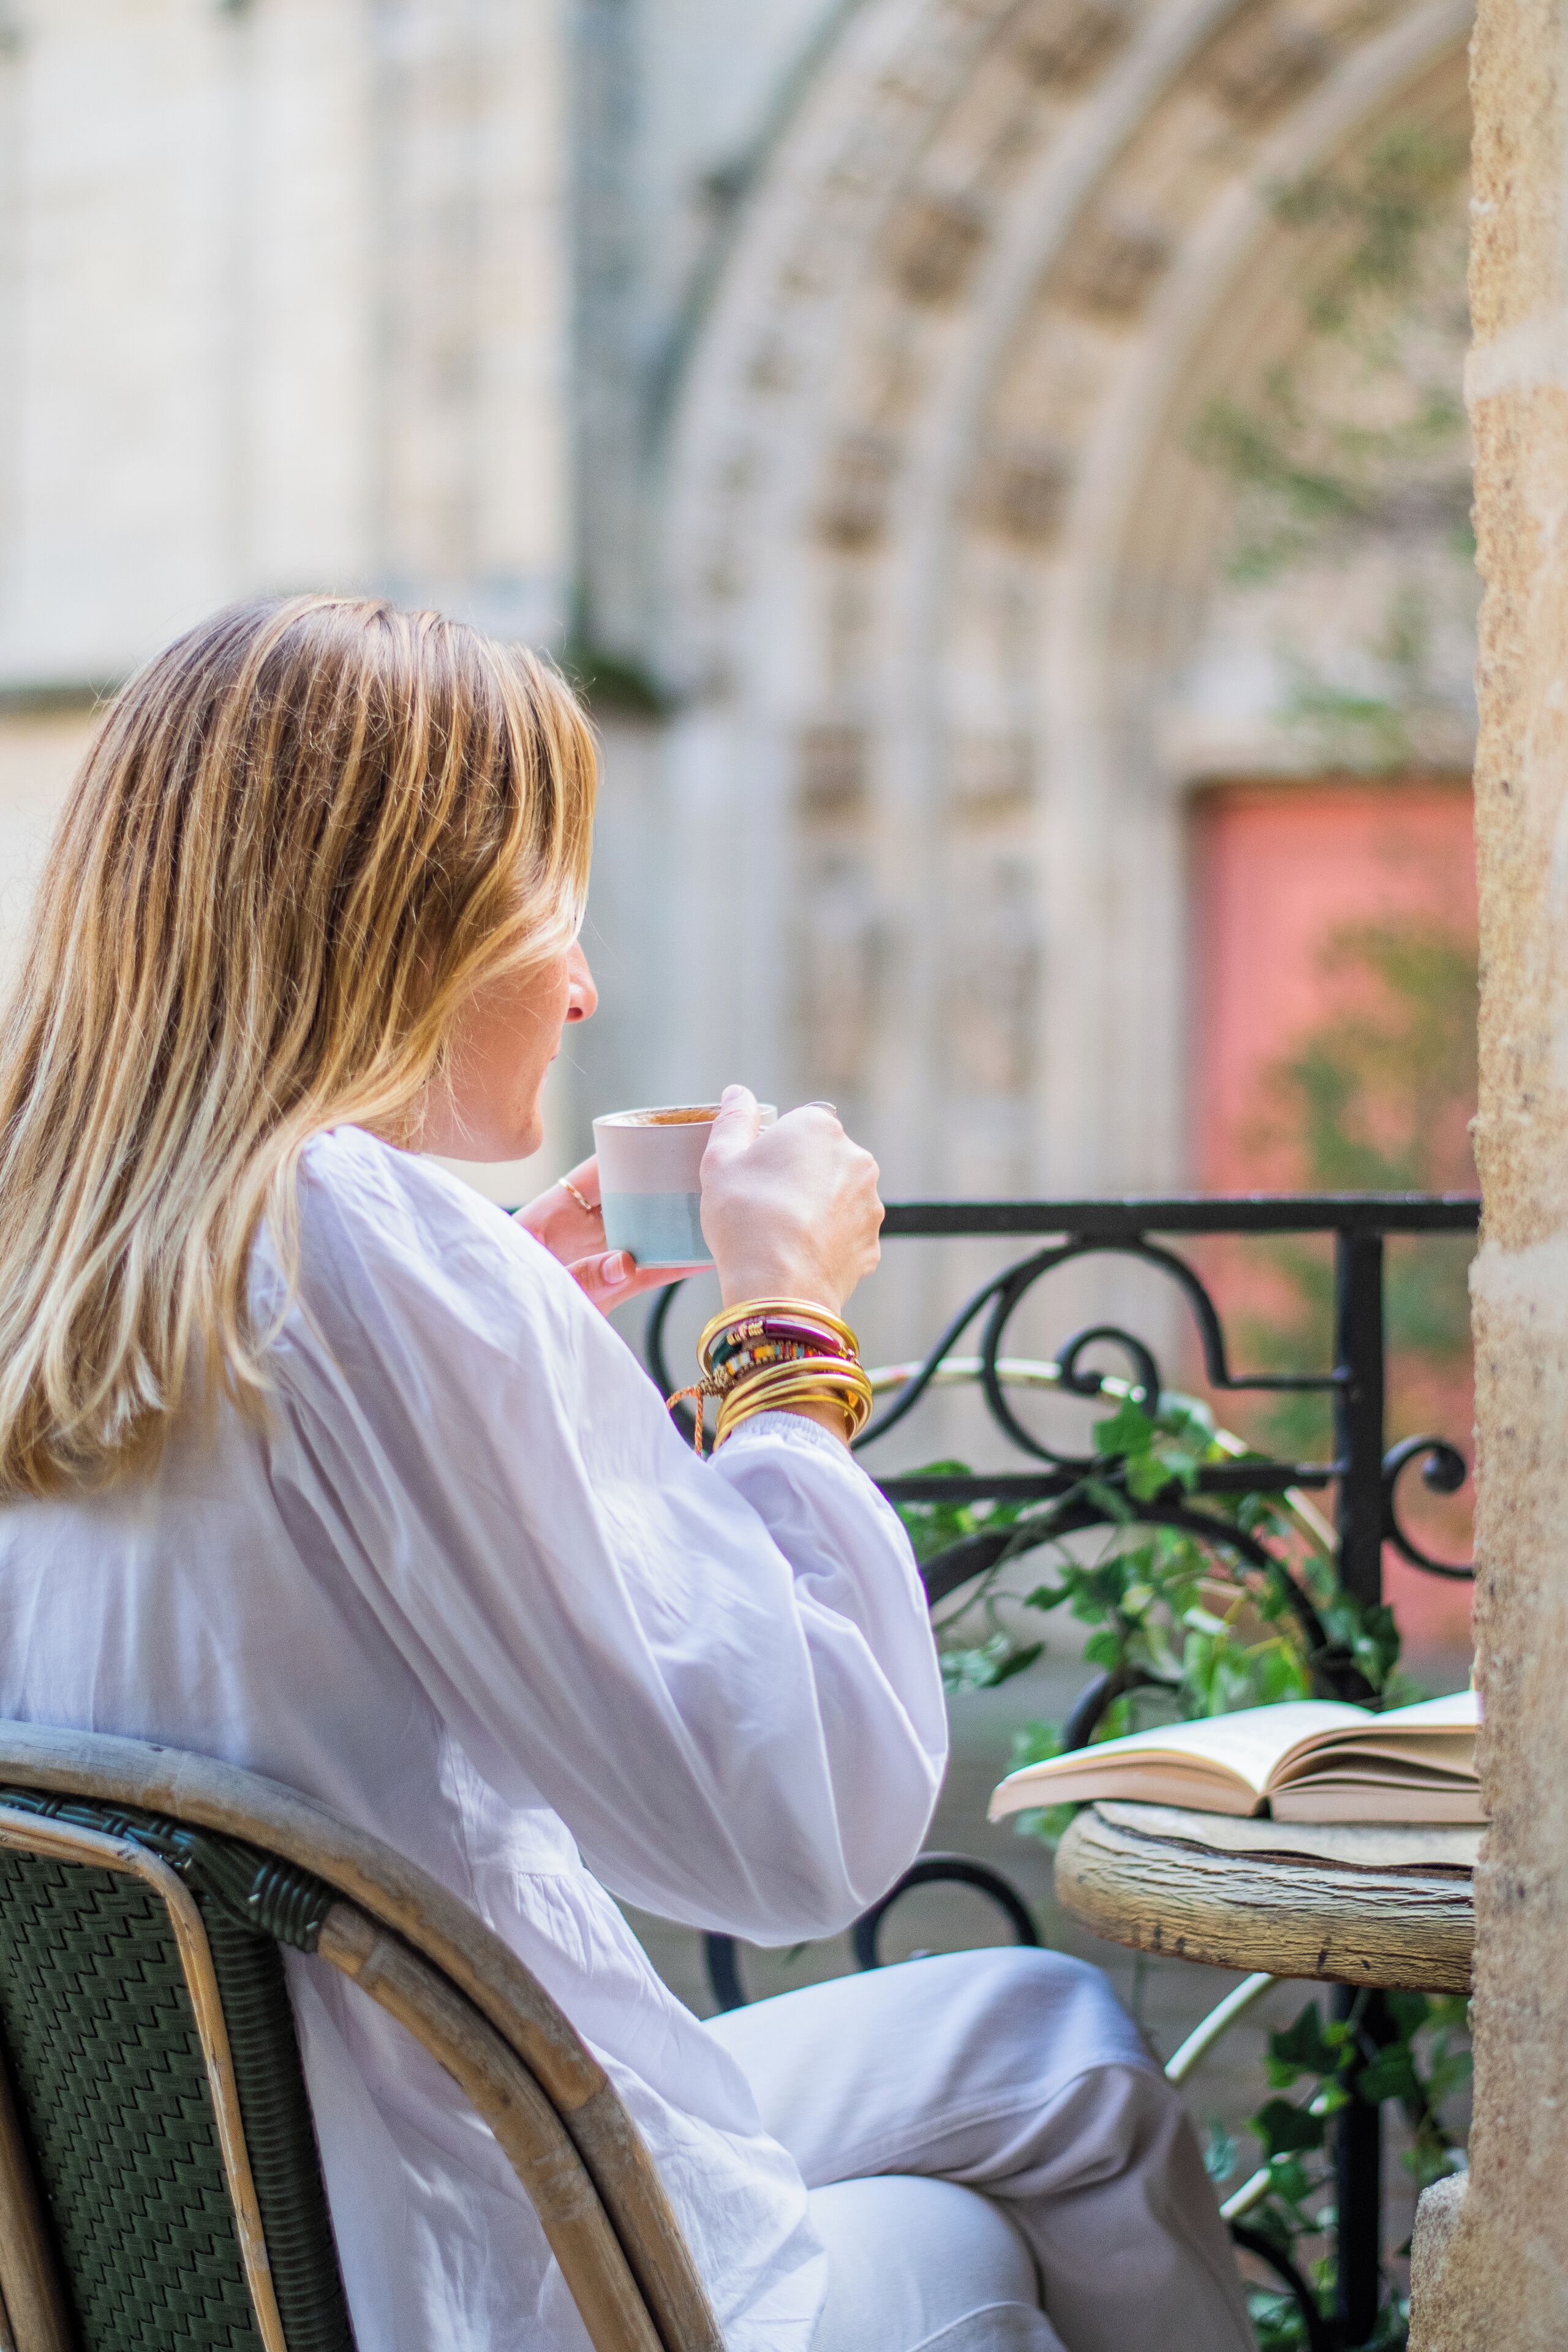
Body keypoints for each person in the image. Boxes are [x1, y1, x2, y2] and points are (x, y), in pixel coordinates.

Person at [0, 595, 1254, 2352]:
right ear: (409, 929)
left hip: (215, 2235)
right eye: (549, 917)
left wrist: (507, 1324)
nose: (581, 985)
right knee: (991, 2207)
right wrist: (783, 1327)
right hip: (466, 2246)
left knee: (1052, 2052)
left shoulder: (78, 1246)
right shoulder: (370, 1248)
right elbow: (788, 1828)